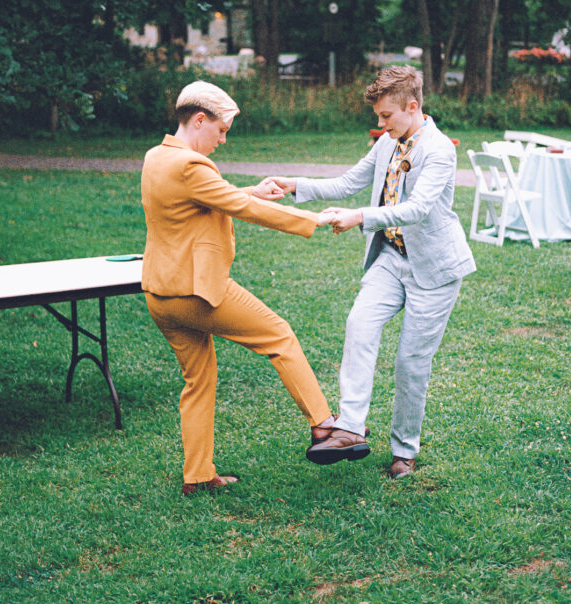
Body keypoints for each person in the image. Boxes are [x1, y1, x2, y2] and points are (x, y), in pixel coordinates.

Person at [269, 65, 475, 478]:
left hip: (434, 270)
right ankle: (349, 428)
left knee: (410, 363)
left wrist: (361, 217)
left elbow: (417, 210)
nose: (379, 124)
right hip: (392, 258)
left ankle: (404, 452)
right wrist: (293, 185)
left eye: (386, 117)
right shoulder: (387, 143)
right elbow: (348, 182)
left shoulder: (439, 150)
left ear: (412, 106)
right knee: (358, 325)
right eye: (378, 117)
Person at [141, 80, 336, 495]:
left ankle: (197, 475)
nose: (223, 140)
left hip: (159, 295)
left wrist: (251, 190)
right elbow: (240, 207)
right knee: (278, 334)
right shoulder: (191, 166)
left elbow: (208, 198)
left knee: (198, 381)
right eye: (221, 130)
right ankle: (324, 425)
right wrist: (310, 220)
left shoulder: (156, 158)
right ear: (198, 120)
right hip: (196, 293)